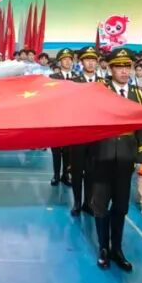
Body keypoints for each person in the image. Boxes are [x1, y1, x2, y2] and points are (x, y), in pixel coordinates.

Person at [89, 48, 142, 272]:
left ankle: (117, 249)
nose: (124, 71)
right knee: (100, 204)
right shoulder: (100, 91)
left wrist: (139, 156)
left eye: (127, 66)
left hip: (125, 156)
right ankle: (103, 248)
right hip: (102, 154)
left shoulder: (138, 94)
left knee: (121, 206)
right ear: (110, 68)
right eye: (119, 67)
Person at [66, 45, 102, 216]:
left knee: (92, 171)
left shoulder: (104, 83)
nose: (91, 63)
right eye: (87, 59)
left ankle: (88, 202)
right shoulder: (74, 82)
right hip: (79, 134)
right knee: (77, 170)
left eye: (93, 60)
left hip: (97, 135)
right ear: (81, 62)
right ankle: (77, 202)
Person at [48, 48, 78, 188]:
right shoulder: (52, 78)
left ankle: (66, 175)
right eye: (64, 59)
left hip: (72, 119)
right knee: (55, 150)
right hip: (56, 118)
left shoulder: (78, 78)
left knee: (69, 150)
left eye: (70, 59)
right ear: (60, 62)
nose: (67, 62)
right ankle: (55, 174)